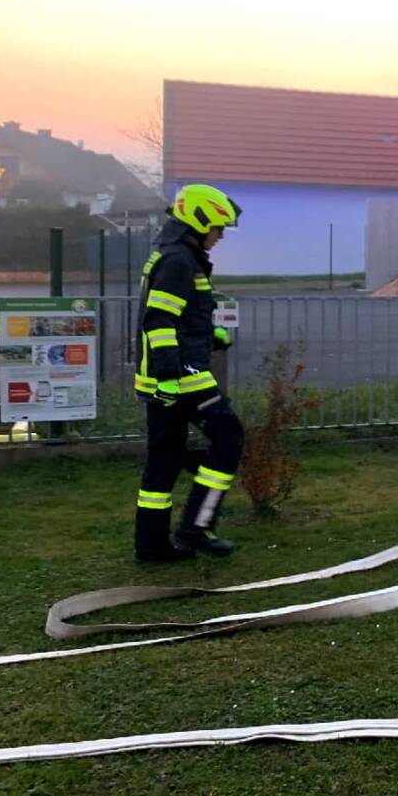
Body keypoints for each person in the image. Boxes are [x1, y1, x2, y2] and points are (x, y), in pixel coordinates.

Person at [133, 183, 245, 562]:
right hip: (182, 377)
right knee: (229, 438)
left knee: (163, 460)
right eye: (218, 228)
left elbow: (180, 315)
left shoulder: (173, 255)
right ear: (199, 223)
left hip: (163, 377)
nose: (220, 236)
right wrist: (169, 376)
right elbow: (159, 321)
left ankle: (151, 545)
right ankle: (196, 527)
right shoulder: (179, 262)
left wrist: (209, 335)